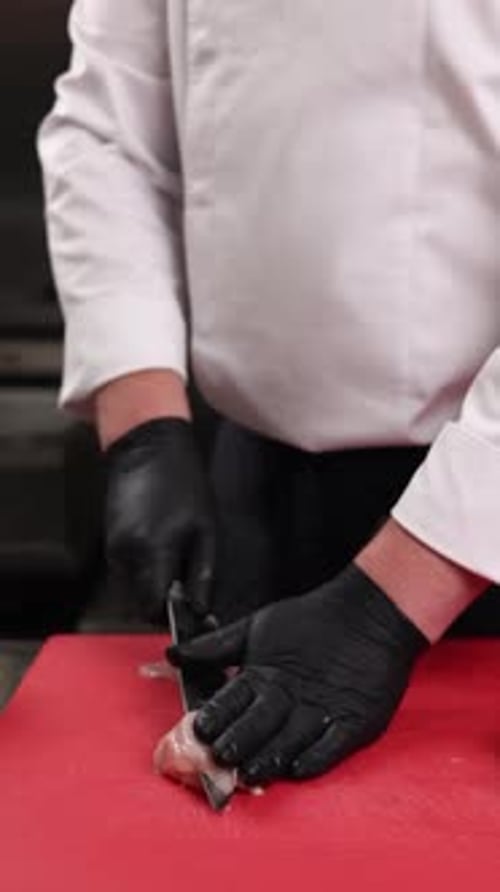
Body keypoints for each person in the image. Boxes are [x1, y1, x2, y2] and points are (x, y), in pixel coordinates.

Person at [38, 1, 497, 786]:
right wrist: (143, 418)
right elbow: (106, 127)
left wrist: (391, 603)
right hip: (252, 500)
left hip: (477, 529)